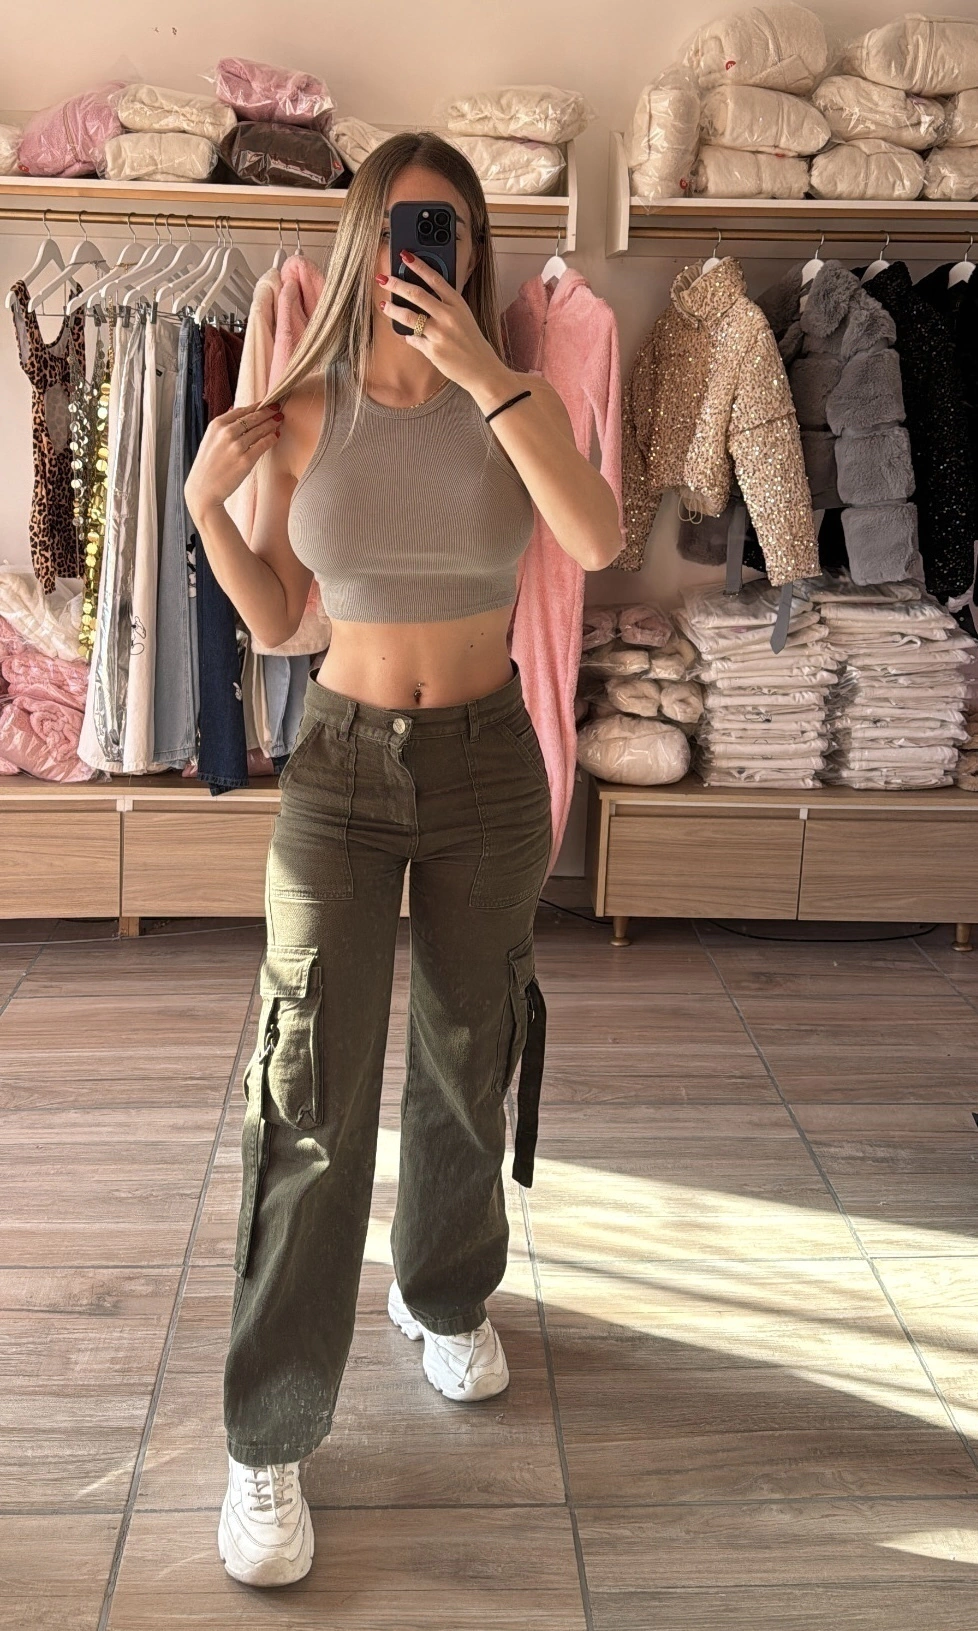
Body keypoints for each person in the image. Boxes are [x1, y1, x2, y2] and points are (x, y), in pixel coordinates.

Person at [184, 129, 622, 1589]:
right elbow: (278, 619)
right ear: (360, 239)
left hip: (489, 763)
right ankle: (268, 1434)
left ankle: (441, 1295)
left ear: (472, 249)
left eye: (444, 230)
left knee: (467, 1052)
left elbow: (595, 537)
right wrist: (203, 507)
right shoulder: (302, 406)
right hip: (342, 768)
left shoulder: (515, 396)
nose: (414, 254)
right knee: (308, 1092)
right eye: (395, 227)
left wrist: (492, 379)